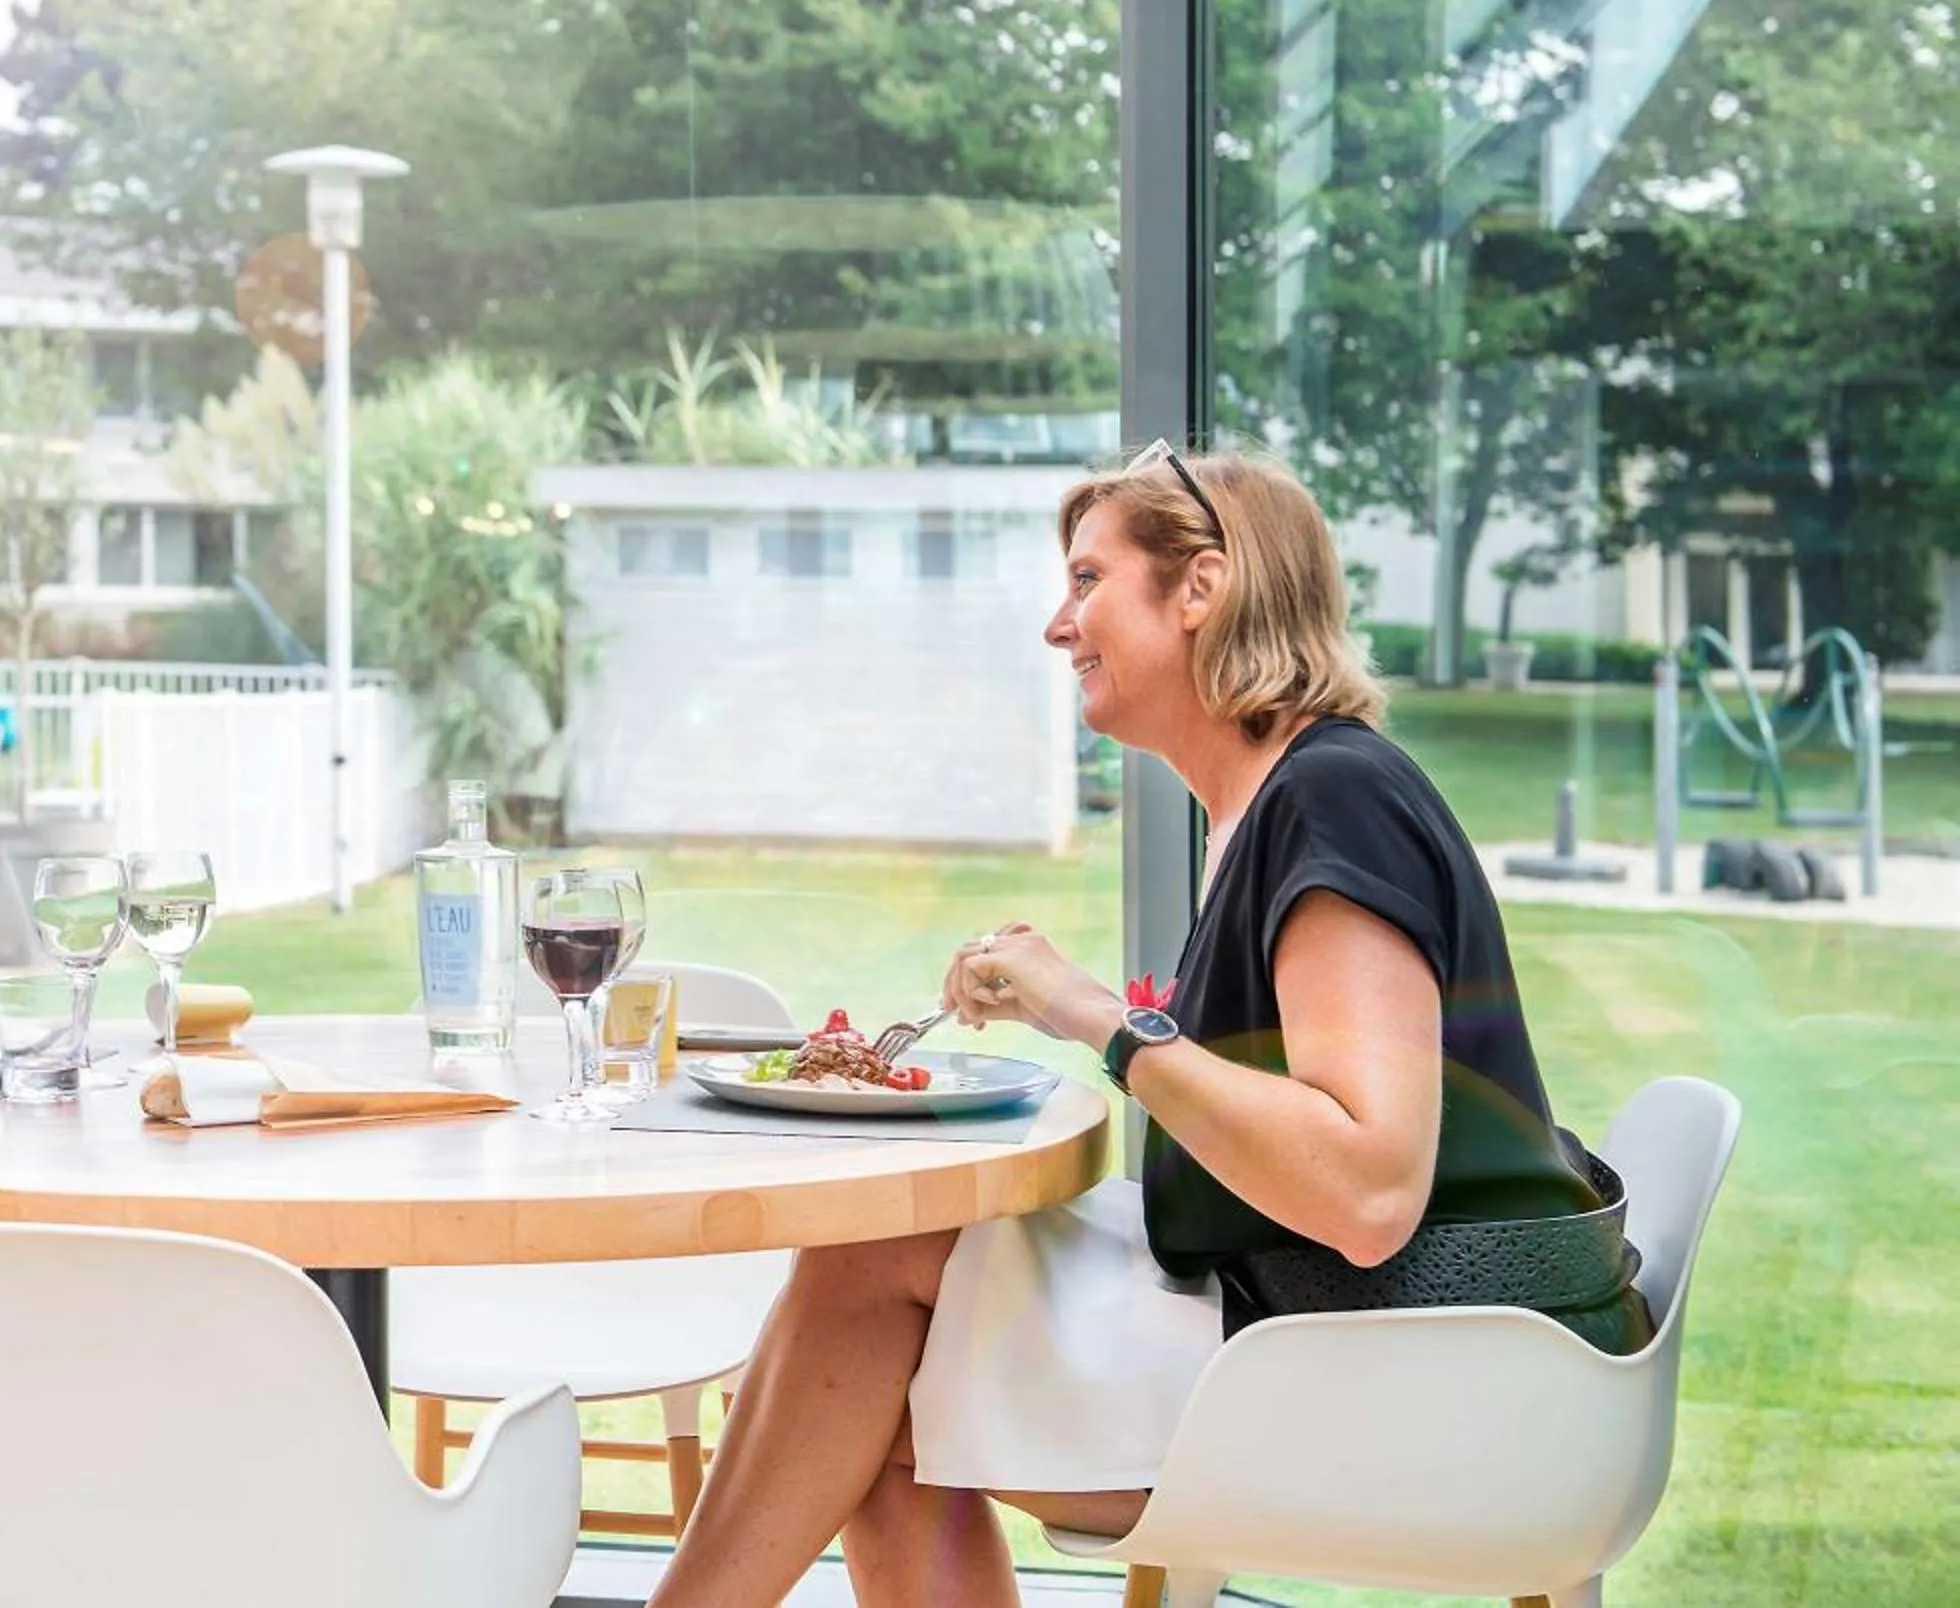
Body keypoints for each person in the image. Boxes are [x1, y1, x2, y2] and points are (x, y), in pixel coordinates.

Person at [652, 444, 1646, 1608]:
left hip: (1418, 1375)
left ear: (1200, 589)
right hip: (1348, 1328)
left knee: (869, 1302)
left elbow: (1368, 1192)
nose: (1057, 625)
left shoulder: (1336, 801)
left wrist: (1103, 1022)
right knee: (872, 1337)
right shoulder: (1276, 802)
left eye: (1087, 582)